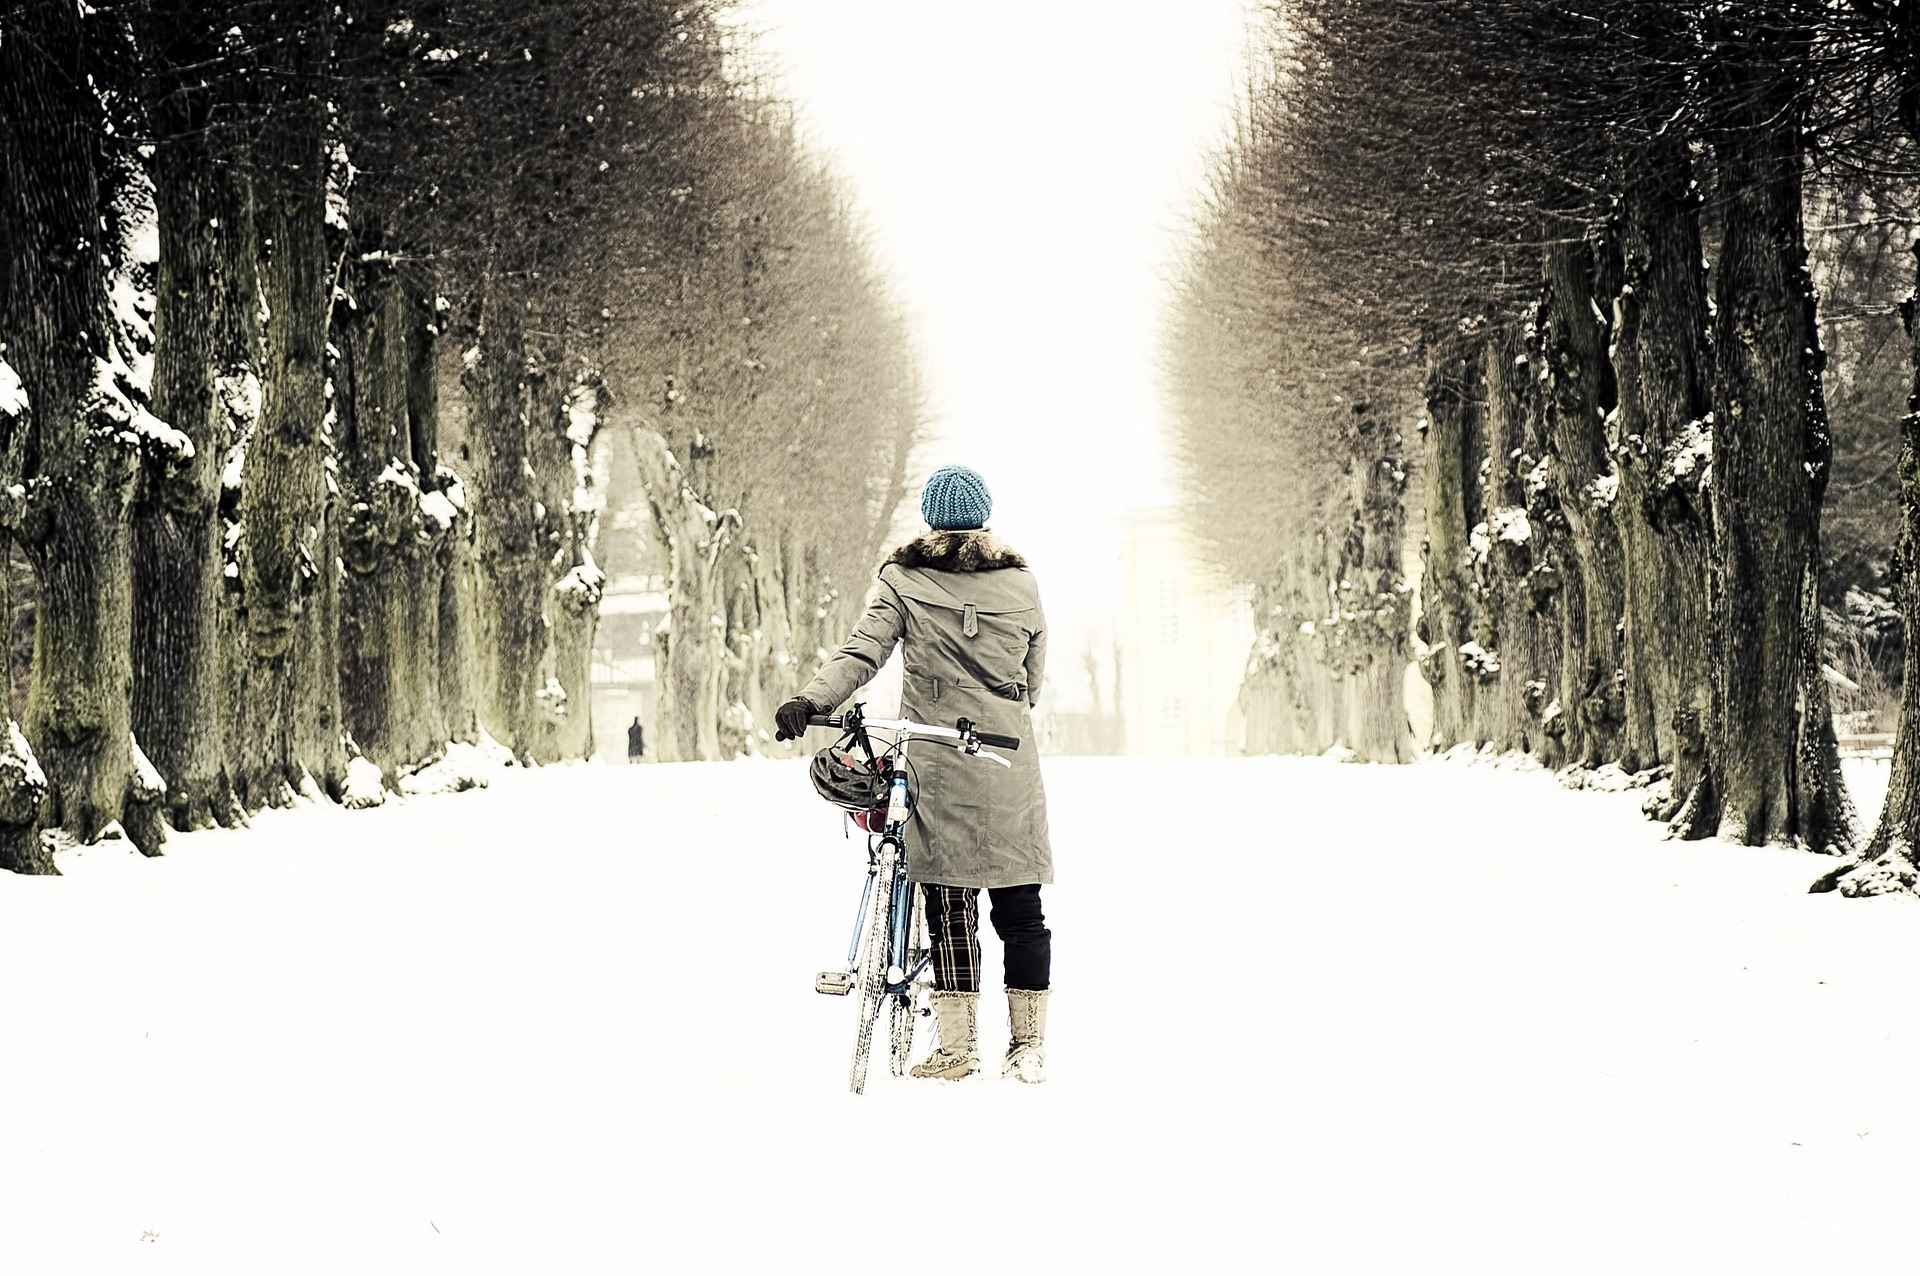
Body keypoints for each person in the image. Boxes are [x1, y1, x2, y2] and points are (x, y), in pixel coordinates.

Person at [775, 464, 1053, 1083]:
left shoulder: (903, 580)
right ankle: (1028, 1046)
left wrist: (813, 702)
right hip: (1005, 756)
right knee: (1019, 904)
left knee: (949, 899)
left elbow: (862, 653)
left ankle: (957, 1048)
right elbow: (1032, 681)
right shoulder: (1022, 583)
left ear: (929, 518)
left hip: (934, 759)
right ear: (982, 517)